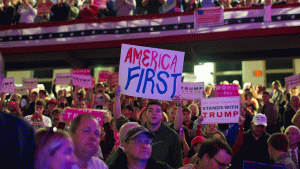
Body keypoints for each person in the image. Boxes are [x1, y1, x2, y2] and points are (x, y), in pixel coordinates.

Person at [109, 126, 173, 169]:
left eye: (147, 142)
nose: (144, 146)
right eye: (138, 141)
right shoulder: (114, 166)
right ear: (125, 146)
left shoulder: (161, 167)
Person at [143, 100, 183, 168]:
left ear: (162, 115)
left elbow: (178, 164)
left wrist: (179, 105)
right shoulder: (138, 134)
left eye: (157, 111)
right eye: (150, 110)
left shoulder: (172, 136)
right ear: (145, 114)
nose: (154, 113)